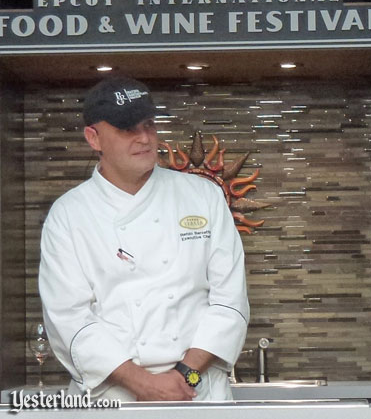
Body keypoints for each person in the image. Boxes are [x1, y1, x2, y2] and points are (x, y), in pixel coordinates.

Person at [38, 76, 249, 401]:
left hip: (197, 391)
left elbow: (229, 301)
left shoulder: (203, 196)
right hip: (115, 396)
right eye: (127, 128)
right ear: (93, 138)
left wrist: (185, 375)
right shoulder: (68, 215)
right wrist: (143, 383)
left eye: (149, 125)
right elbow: (68, 320)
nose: (145, 138)